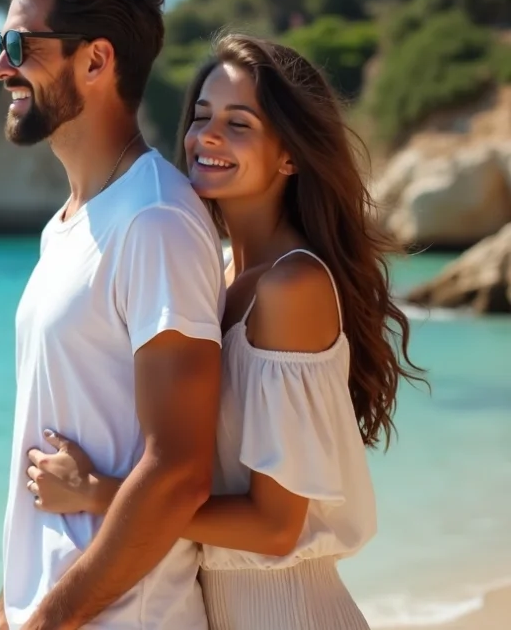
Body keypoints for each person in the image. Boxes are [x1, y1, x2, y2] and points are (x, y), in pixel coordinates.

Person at [23, 33, 428, 630]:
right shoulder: (222, 276)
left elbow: (274, 526)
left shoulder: (292, 287)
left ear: (290, 154)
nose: (205, 137)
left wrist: (98, 492)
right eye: (202, 117)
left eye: (239, 124)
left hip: (287, 612)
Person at [0, 0, 227, 630]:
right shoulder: (67, 225)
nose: (1, 67)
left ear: (95, 59)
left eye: (20, 44)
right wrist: (11, 609)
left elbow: (179, 471)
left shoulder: (154, 219)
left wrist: (46, 622)